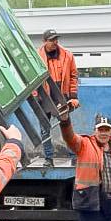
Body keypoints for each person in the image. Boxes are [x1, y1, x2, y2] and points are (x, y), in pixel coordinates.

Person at [38, 29, 78, 167]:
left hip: (61, 96)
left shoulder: (67, 55)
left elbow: (73, 76)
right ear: (44, 41)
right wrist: (36, 95)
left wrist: (73, 97)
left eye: (56, 39)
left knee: (66, 127)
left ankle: (73, 156)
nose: (55, 42)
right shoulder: (36, 56)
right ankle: (48, 159)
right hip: (44, 97)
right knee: (44, 129)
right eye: (51, 40)